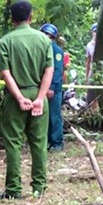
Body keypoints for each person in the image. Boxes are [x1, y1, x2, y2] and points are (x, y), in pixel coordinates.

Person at [0, 0, 53, 199]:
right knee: (39, 142)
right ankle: (39, 188)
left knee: (13, 143)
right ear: (31, 16)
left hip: (15, 97)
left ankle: (13, 190)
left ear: (12, 19)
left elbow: (5, 73)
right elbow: (49, 70)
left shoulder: (5, 41)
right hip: (38, 95)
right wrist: (39, 98)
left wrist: (19, 98)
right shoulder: (44, 40)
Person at [40, 24, 64, 152]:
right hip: (42, 88)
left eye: (48, 35)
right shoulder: (41, 50)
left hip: (54, 89)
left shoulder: (57, 51)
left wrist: (52, 88)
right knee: (45, 116)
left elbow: (57, 71)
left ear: (53, 37)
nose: (45, 37)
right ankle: (48, 141)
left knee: (54, 116)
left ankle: (57, 142)